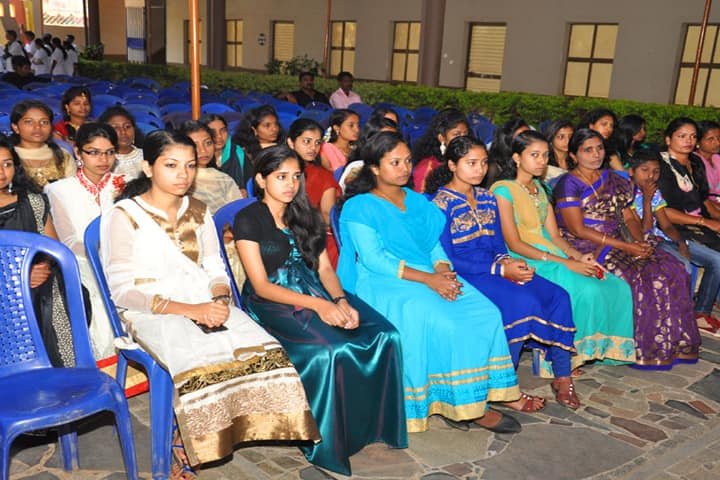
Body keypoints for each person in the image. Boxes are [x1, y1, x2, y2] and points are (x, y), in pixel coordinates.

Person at [101, 130, 319, 478]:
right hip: (151, 309)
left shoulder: (199, 210)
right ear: (148, 167)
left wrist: (219, 299)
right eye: (171, 165)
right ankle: (183, 444)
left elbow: (216, 267)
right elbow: (123, 291)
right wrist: (191, 311)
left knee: (267, 352)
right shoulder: (124, 215)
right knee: (197, 363)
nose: (183, 174)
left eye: (189, 166)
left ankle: (229, 432)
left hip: (205, 301)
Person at [234, 145, 406, 475]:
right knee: (330, 351)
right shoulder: (249, 219)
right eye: (281, 177)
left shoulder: (306, 214)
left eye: (295, 176)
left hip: (314, 288)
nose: (290, 184)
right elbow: (261, 285)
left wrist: (340, 301)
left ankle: (373, 427)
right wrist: (320, 305)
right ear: (261, 180)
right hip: (273, 300)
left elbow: (325, 269)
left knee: (386, 335)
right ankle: (328, 443)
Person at [337, 131, 522, 435]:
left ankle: (468, 397)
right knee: (445, 321)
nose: (404, 168)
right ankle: (465, 405)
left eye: (408, 160)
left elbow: (432, 244)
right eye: (395, 162)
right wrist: (429, 279)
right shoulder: (360, 206)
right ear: (374, 168)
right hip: (384, 281)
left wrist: (443, 270)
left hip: (427, 272)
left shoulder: (417, 200)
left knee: (486, 313)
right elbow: (374, 259)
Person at [427, 136, 579, 409]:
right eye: (471, 163)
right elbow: (448, 259)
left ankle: (562, 376)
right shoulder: (439, 204)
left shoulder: (487, 198)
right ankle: (504, 389)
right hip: (468, 274)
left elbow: (499, 244)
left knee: (558, 296)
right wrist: (500, 269)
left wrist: (510, 264)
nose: (479, 169)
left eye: (483, 163)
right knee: (522, 303)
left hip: (496, 268)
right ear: (452, 165)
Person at [490, 130, 636, 374]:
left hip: (551, 252)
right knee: (584, 290)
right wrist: (566, 263)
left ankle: (600, 350)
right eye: (534, 155)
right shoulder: (503, 190)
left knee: (616, 286)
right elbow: (514, 243)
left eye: (545, 155)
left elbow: (555, 236)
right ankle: (561, 358)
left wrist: (578, 257)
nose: (542, 161)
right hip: (525, 257)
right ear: (516, 157)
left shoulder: (540, 189)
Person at [554, 128, 700, 369]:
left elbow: (629, 217)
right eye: (588, 150)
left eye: (599, 148)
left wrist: (638, 242)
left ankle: (671, 345)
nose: (596, 154)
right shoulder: (568, 184)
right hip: (589, 245)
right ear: (573, 155)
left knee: (671, 267)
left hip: (621, 239)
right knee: (642, 276)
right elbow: (578, 230)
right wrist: (626, 246)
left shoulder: (614, 179)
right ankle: (641, 347)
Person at [44, 123, 125, 360]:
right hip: (81, 261)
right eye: (94, 152)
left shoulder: (125, 184)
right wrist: (105, 249)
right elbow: (68, 240)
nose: (103, 159)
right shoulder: (58, 190)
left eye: (109, 152)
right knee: (99, 295)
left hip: (124, 258)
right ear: (78, 152)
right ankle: (108, 363)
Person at [0, 137, 75, 367]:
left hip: (37, 282)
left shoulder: (33, 201)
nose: (2, 172)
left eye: (7, 164)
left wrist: (43, 266)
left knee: (54, 291)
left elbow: (53, 248)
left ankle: (61, 371)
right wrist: (17, 276)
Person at [628, 149, 720, 335]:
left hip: (665, 238)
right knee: (683, 265)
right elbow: (645, 231)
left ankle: (701, 312)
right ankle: (679, 315)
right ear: (631, 171)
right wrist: (646, 201)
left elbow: (666, 225)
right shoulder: (627, 195)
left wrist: (681, 243)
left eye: (656, 171)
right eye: (645, 170)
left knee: (717, 260)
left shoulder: (655, 193)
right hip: (649, 242)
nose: (650, 176)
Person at [657, 118, 720, 251]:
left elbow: (703, 199)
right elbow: (662, 210)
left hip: (700, 221)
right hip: (675, 225)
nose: (689, 141)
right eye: (682, 136)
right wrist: (704, 222)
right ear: (668, 140)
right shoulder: (661, 165)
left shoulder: (696, 161)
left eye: (693, 136)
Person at [287, 118, 341, 267]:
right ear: (291, 142)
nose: (313, 148)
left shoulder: (323, 175)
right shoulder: (277, 171)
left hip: (310, 232)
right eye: (307, 141)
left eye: (317, 143)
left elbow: (327, 214)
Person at [177, 120, 241, 213]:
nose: (203, 150)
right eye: (195, 145)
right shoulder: (180, 180)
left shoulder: (223, 178)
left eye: (208, 143)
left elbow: (238, 211)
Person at [10, 100, 76, 188]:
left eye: (44, 122)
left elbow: (72, 191)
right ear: (15, 127)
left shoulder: (63, 156)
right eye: (29, 122)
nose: (38, 127)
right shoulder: (8, 156)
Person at [411, 108, 469, 193]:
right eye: (456, 134)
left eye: (465, 134)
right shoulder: (427, 168)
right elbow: (419, 199)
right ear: (442, 138)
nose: (463, 139)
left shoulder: (469, 162)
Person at [201, 113, 251, 194]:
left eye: (223, 131)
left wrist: (245, 192)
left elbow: (251, 184)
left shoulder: (238, 153)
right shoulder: (200, 158)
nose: (219, 136)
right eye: (213, 132)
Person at [98, 106, 145, 180]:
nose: (123, 132)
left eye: (127, 126)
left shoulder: (146, 156)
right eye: (116, 128)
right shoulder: (101, 160)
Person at [485, 118, 530, 188]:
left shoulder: (532, 160)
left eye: (529, 135)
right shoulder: (493, 167)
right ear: (507, 142)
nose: (528, 140)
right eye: (521, 137)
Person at [319, 108, 359, 172]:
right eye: (351, 125)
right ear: (337, 128)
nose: (357, 130)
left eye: (358, 125)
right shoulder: (327, 149)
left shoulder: (356, 148)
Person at [541, 119, 573, 186]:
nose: (567, 141)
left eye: (570, 137)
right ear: (551, 138)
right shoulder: (544, 162)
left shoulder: (577, 159)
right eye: (561, 137)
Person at [695, 120, 720, 202]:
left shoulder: (717, 158)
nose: (717, 143)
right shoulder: (694, 162)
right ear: (697, 142)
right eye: (710, 139)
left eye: (719, 138)